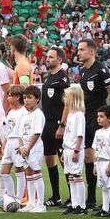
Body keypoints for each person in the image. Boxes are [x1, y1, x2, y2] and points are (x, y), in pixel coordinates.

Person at [77, 38, 110, 211]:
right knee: (88, 156)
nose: (78, 52)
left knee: (101, 155)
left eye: (81, 49)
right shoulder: (82, 71)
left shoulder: (101, 70)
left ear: (91, 51)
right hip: (86, 116)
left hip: (98, 117)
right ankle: (91, 198)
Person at [42, 47, 71, 207]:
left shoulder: (63, 78)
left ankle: (73, 196)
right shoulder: (48, 78)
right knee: (49, 159)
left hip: (58, 123)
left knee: (63, 160)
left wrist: (62, 125)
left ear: (59, 60)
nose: (47, 59)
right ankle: (56, 196)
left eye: (51, 57)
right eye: (47, 57)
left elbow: (68, 103)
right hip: (47, 124)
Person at [17, 85, 47, 212]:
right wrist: (21, 147)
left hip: (34, 148)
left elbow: (37, 133)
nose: (26, 100)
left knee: (36, 172)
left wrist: (28, 148)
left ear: (37, 99)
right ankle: (31, 203)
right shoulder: (25, 114)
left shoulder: (38, 114)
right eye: (24, 98)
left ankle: (40, 204)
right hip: (24, 148)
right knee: (28, 174)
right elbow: (19, 133)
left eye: (29, 98)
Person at [60, 84, 87, 214]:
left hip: (75, 149)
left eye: (67, 96)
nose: (64, 99)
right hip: (68, 149)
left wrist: (76, 150)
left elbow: (80, 135)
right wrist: (64, 150)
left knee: (77, 176)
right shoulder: (70, 114)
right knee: (71, 176)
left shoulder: (79, 115)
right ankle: (74, 203)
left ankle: (82, 206)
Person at [0, 86, 28, 207]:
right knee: (4, 171)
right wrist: (4, 143)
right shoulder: (11, 112)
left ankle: (19, 198)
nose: (8, 98)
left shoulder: (24, 111)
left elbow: (23, 129)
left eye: (10, 95)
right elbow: (8, 129)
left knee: (19, 169)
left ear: (17, 97)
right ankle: (11, 198)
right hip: (9, 142)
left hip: (17, 141)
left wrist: (22, 145)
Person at [92, 106, 110, 218]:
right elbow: (95, 149)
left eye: (102, 116)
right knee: (104, 186)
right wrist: (95, 164)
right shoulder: (97, 132)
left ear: (109, 119)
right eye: (98, 116)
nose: (99, 118)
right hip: (100, 161)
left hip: (108, 161)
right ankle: (104, 208)